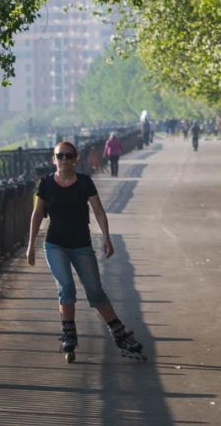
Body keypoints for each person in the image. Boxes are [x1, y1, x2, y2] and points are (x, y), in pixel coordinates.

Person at [27, 140, 147, 362]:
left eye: (68, 156)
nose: (64, 160)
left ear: (76, 159)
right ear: (53, 160)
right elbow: (36, 215)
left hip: (81, 245)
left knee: (95, 292)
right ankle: (69, 336)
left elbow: (99, 211)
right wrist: (30, 245)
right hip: (55, 245)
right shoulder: (45, 184)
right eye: (59, 156)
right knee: (67, 289)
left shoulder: (84, 182)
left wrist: (107, 238)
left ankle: (120, 335)